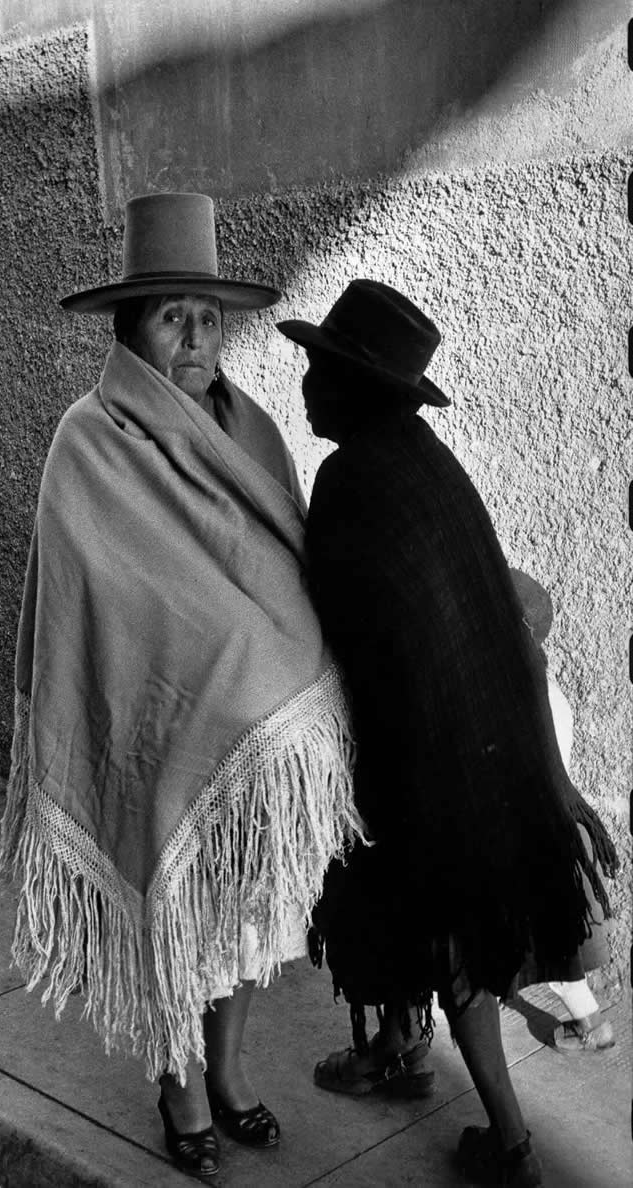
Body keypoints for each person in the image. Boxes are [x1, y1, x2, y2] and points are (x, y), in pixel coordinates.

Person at [0, 193, 360, 1178]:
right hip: (157, 733)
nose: (197, 334)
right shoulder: (89, 438)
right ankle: (179, 1085)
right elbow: (112, 596)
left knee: (249, 922)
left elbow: (282, 562)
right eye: (172, 315)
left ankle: (230, 1073)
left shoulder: (249, 429)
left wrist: (281, 657)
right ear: (129, 327)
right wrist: (235, 655)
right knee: (178, 920)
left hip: (257, 754)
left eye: (208, 314)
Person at [277, 279, 618, 1186]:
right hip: (482, 748)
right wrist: (553, 781)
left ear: (359, 387)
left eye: (322, 367)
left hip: (433, 768)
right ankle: (395, 1046)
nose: (306, 383)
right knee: (414, 922)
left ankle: (510, 1146)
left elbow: (339, 627)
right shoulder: (424, 463)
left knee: (449, 946)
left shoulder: (353, 479)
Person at [509, 569, 616, 1054]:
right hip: (551, 837)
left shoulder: (513, 701)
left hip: (527, 840)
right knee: (552, 947)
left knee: (548, 950)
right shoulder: (552, 696)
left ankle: (592, 1025)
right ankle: (590, 1023)